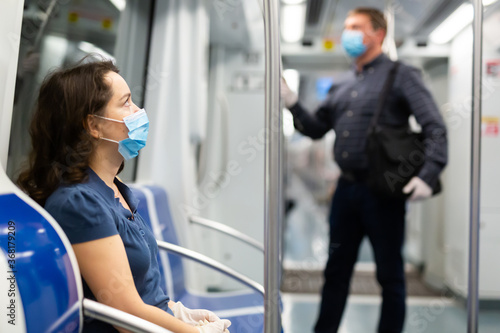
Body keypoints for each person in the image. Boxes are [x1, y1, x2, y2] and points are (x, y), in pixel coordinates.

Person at [17, 57, 231, 333]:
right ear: (93, 126)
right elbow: (125, 315)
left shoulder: (113, 189)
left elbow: (142, 293)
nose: (138, 111)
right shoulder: (79, 203)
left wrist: (177, 313)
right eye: (126, 103)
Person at [281, 7, 447, 333]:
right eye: (347, 27)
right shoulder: (341, 85)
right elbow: (316, 128)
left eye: (356, 27)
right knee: (336, 271)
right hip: (345, 191)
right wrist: (291, 101)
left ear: (378, 34)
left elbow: (435, 127)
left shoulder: (402, 75)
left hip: (382, 191)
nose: (349, 34)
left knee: (389, 274)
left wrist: (428, 174)